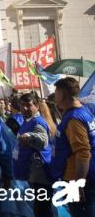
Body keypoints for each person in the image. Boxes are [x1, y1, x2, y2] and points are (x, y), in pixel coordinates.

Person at [50, 77, 95, 216]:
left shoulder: (74, 118)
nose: (54, 95)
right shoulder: (82, 111)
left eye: (56, 91)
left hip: (78, 179)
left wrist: (78, 182)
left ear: (62, 94)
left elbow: (83, 153)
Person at [12, 92, 53, 217]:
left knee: (42, 209)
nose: (24, 108)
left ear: (36, 106)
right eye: (22, 105)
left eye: (28, 105)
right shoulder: (28, 121)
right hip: (32, 174)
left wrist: (30, 136)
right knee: (40, 207)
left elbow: (42, 139)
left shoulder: (37, 122)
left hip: (40, 174)